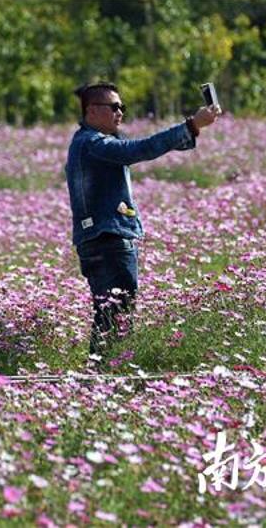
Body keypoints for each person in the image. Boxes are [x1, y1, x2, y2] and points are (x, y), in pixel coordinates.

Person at [64, 82, 220, 364]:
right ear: (92, 111)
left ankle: (103, 372)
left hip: (99, 240)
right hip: (109, 239)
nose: (120, 112)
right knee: (116, 316)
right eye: (114, 107)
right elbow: (140, 149)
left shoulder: (87, 143)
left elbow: (140, 147)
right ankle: (108, 373)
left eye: (122, 107)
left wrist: (193, 129)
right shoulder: (92, 143)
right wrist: (191, 125)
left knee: (110, 314)